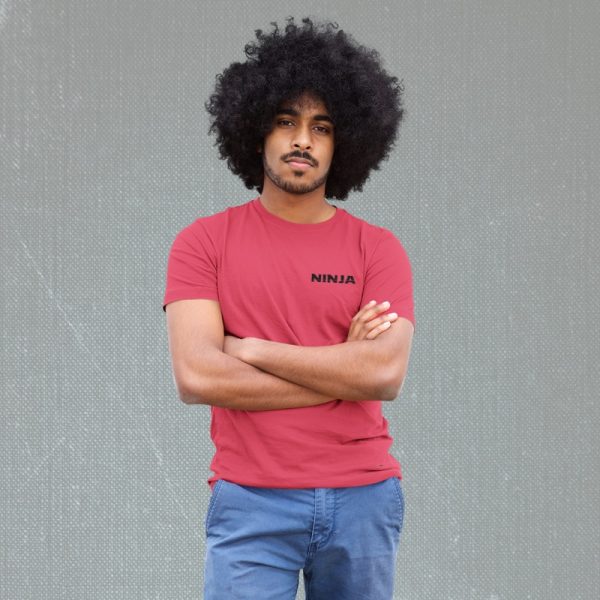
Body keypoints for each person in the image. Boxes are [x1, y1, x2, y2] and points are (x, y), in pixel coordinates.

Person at [162, 17, 415, 599]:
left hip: (363, 497)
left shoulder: (378, 249)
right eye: (286, 121)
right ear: (256, 133)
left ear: (343, 143)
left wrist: (252, 349)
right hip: (251, 499)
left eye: (321, 127)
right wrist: (342, 368)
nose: (303, 139)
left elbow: (383, 373)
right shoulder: (203, 243)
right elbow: (198, 376)